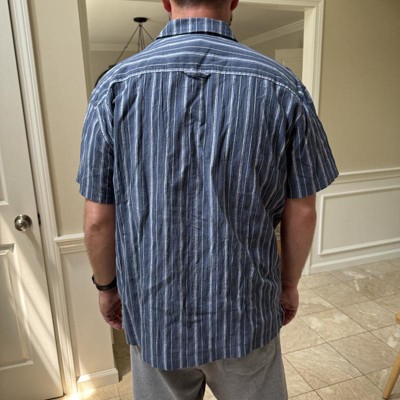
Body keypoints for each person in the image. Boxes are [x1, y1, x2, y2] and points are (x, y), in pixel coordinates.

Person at [77, 0, 338, 398]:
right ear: (233, 1)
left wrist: (107, 288)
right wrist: (288, 286)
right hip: (246, 308)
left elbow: (98, 218)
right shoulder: (283, 86)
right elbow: (302, 210)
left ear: (166, 2)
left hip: (155, 312)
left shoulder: (114, 87)